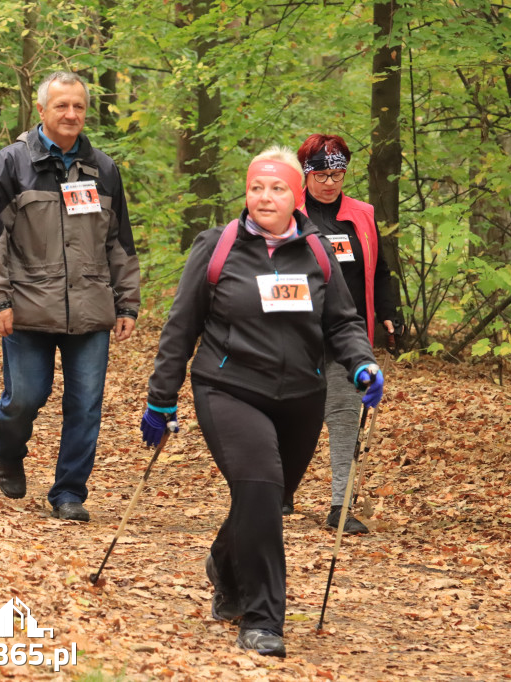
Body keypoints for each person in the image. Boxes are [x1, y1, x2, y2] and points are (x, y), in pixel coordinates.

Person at [140, 146, 383, 658]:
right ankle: (263, 617)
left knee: (263, 501)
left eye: (276, 188)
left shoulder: (318, 251)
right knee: (262, 486)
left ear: (296, 195)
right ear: (246, 192)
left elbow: (341, 321)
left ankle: (224, 565)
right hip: (228, 387)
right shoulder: (217, 247)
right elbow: (180, 327)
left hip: (301, 395)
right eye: (256, 187)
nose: (264, 197)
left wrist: (361, 363)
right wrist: (161, 399)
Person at [0, 71, 140, 523]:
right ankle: (7, 449)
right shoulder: (11, 163)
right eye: (62, 106)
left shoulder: (103, 169)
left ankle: (69, 492)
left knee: (85, 404)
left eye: (79, 107)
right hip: (27, 304)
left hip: (90, 307)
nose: (71, 114)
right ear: (42, 110)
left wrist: (127, 303)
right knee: (25, 396)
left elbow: (120, 244)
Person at [286, 133, 401, 534]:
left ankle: (340, 504)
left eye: (337, 173)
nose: (330, 182)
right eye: (320, 174)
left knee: (344, 416)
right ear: (305, 174)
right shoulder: (288, 210)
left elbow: (379, 269)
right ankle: (281, 490)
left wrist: (387, 312)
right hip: (295, 334)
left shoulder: (363, 213)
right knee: (293, 416)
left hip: (348, 333)